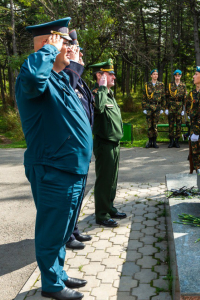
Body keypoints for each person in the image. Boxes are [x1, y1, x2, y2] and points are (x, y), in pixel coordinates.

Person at [16, 17, 92, 300]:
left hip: (70, 168)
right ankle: (52, 285)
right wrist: (47, 51)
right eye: (65, 44)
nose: (70, 49)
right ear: (50, 44)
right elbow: (35, 77)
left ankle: (58, 274)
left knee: (62, 230)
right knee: (51, 230)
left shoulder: (59, 78)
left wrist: (70, 62)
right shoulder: (32, 76)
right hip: (53, 169)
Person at [62, 29, 93, 251]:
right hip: (70, 150)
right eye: (75, 48)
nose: (78, 53)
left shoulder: (78, 79)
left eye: (79, 49)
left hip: (82, 150)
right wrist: (73, 66)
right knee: (69, 199)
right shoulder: (66, 78)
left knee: (79, 195)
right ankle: (66, 234)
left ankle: (73, 230)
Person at [88, 59, 126, 228]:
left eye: (113, 74)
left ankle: (109, 207)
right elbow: (99, 108)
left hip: (114, 143)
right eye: (109, 74)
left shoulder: (108, 93)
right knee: (104, 180)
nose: (113, 77)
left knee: (112, 179)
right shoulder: (97, 93)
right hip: (104, 143)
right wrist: (102, 87)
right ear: (99, 75)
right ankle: (101, 214)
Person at [142, 69, 165, 148]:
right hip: (149, 107)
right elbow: (144, 97)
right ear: (151, 75)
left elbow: (163, 97)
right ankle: (150, 141)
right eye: (154, 74)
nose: (155, 75)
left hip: (157, 107)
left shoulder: (161, 84)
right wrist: (144, 107)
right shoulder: (147, 85)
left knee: (155, 125)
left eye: (157, 74)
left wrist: (162, 108)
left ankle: (154, 142)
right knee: (149, 125)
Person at [165, 69, 187, 148]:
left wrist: (184, 110)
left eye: (179, 76)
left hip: (179, 107)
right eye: (176, 76)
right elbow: (166, 97)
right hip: (171, 106)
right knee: (171, 124)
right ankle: (171, 141)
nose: (177, 77)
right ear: (174, 76)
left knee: (178, 124)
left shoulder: (183, 85)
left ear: (181, 76)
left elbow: (185, 98)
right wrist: (166, 108)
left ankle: (177, 141)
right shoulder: (170, 85)